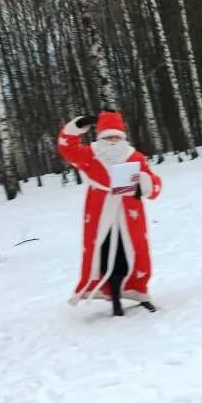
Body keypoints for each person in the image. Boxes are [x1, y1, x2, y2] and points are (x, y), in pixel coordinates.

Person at [57, 110, 162, 316]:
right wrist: (75, 128)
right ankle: (114, 297)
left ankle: (139, 291)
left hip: (129, 214)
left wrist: (145, 183)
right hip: (100, 214)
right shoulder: (89, 154)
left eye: (116, 136)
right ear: (100, 137)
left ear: (122, 137)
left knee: (133, 253)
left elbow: (154, 184)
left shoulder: (134, 156)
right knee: (103, 255)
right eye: (107, 137)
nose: (112, 141)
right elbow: (66, 148)